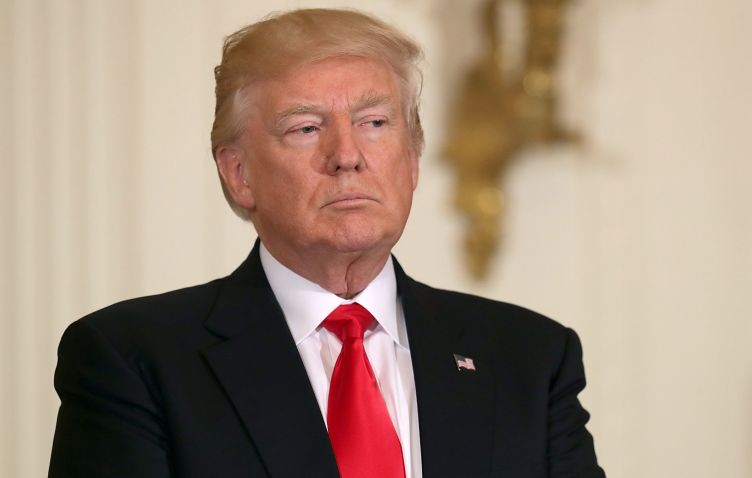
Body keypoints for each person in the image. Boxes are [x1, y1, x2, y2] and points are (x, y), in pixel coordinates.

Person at [48, 8, 604, 478]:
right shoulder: (131, 359)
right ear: (239, 174)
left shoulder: (530, 358)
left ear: (412, 160)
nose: (347, 155)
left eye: (376, 122)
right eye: (306, 127)